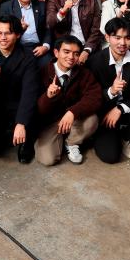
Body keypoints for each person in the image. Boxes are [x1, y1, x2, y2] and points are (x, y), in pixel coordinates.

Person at [89, 18, 130, 163]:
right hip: (105, 114)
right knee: (110, 157)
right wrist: (111, 91)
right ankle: (106, 135)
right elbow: (89, 96)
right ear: (107, 37)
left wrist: (120, 108)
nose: (122, 43)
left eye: (127, 38)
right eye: (117, 37)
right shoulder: (95, 61)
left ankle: (129, 137)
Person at [33, 36, 102, 166]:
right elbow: (37, 110)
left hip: (74, 120)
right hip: (51, 123)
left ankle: (72, 142)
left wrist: (73, 112)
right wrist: (48, 96)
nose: (71, 57)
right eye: (66, 52)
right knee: (47, 159)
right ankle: (56, 140)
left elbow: (95, 97)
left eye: (76, 54)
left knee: (92, 120)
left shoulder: (84, 73)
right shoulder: (41, 72)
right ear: (56, 52)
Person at [0, 17, 41, 163]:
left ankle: (27, 139)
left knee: (24, 154)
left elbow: (29, 93)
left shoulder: (28, 57)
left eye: (8, 33)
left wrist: (22, 123)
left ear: (17, 35)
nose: (3, 38)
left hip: (19, 104)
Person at [46, 0, 103, 64]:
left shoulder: (91, 1)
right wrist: (63, 10)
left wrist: (86, 51)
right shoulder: (54, 0)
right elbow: (49, 24)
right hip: (65, 48)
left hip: (87, 46)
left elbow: (96, 30)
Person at [0, 0, 51, 67]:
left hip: (38, 47)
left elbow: (48, 28)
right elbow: (3, 32)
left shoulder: (41, 5)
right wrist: (20, 29)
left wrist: (45, 46)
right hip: (17, 48)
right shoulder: (6, 7)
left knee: (49, 65)